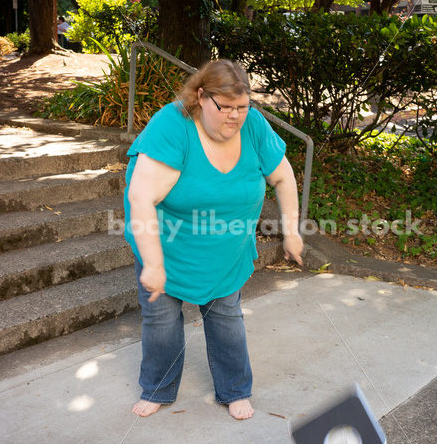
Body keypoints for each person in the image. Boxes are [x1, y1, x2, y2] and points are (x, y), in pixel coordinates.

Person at [124, 59, 304, 420]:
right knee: (161, 321)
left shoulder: (253, 126)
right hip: (166, 247)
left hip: (225, 249)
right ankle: (158, 388)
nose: (235, 116)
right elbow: (140, 197)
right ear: (201, 97)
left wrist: (293, 231)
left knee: (226, 319)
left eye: (243, 106)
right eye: (225, 108)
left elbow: (283, 178)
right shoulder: (172, 126)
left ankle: (234, 389)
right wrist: (154, 263)